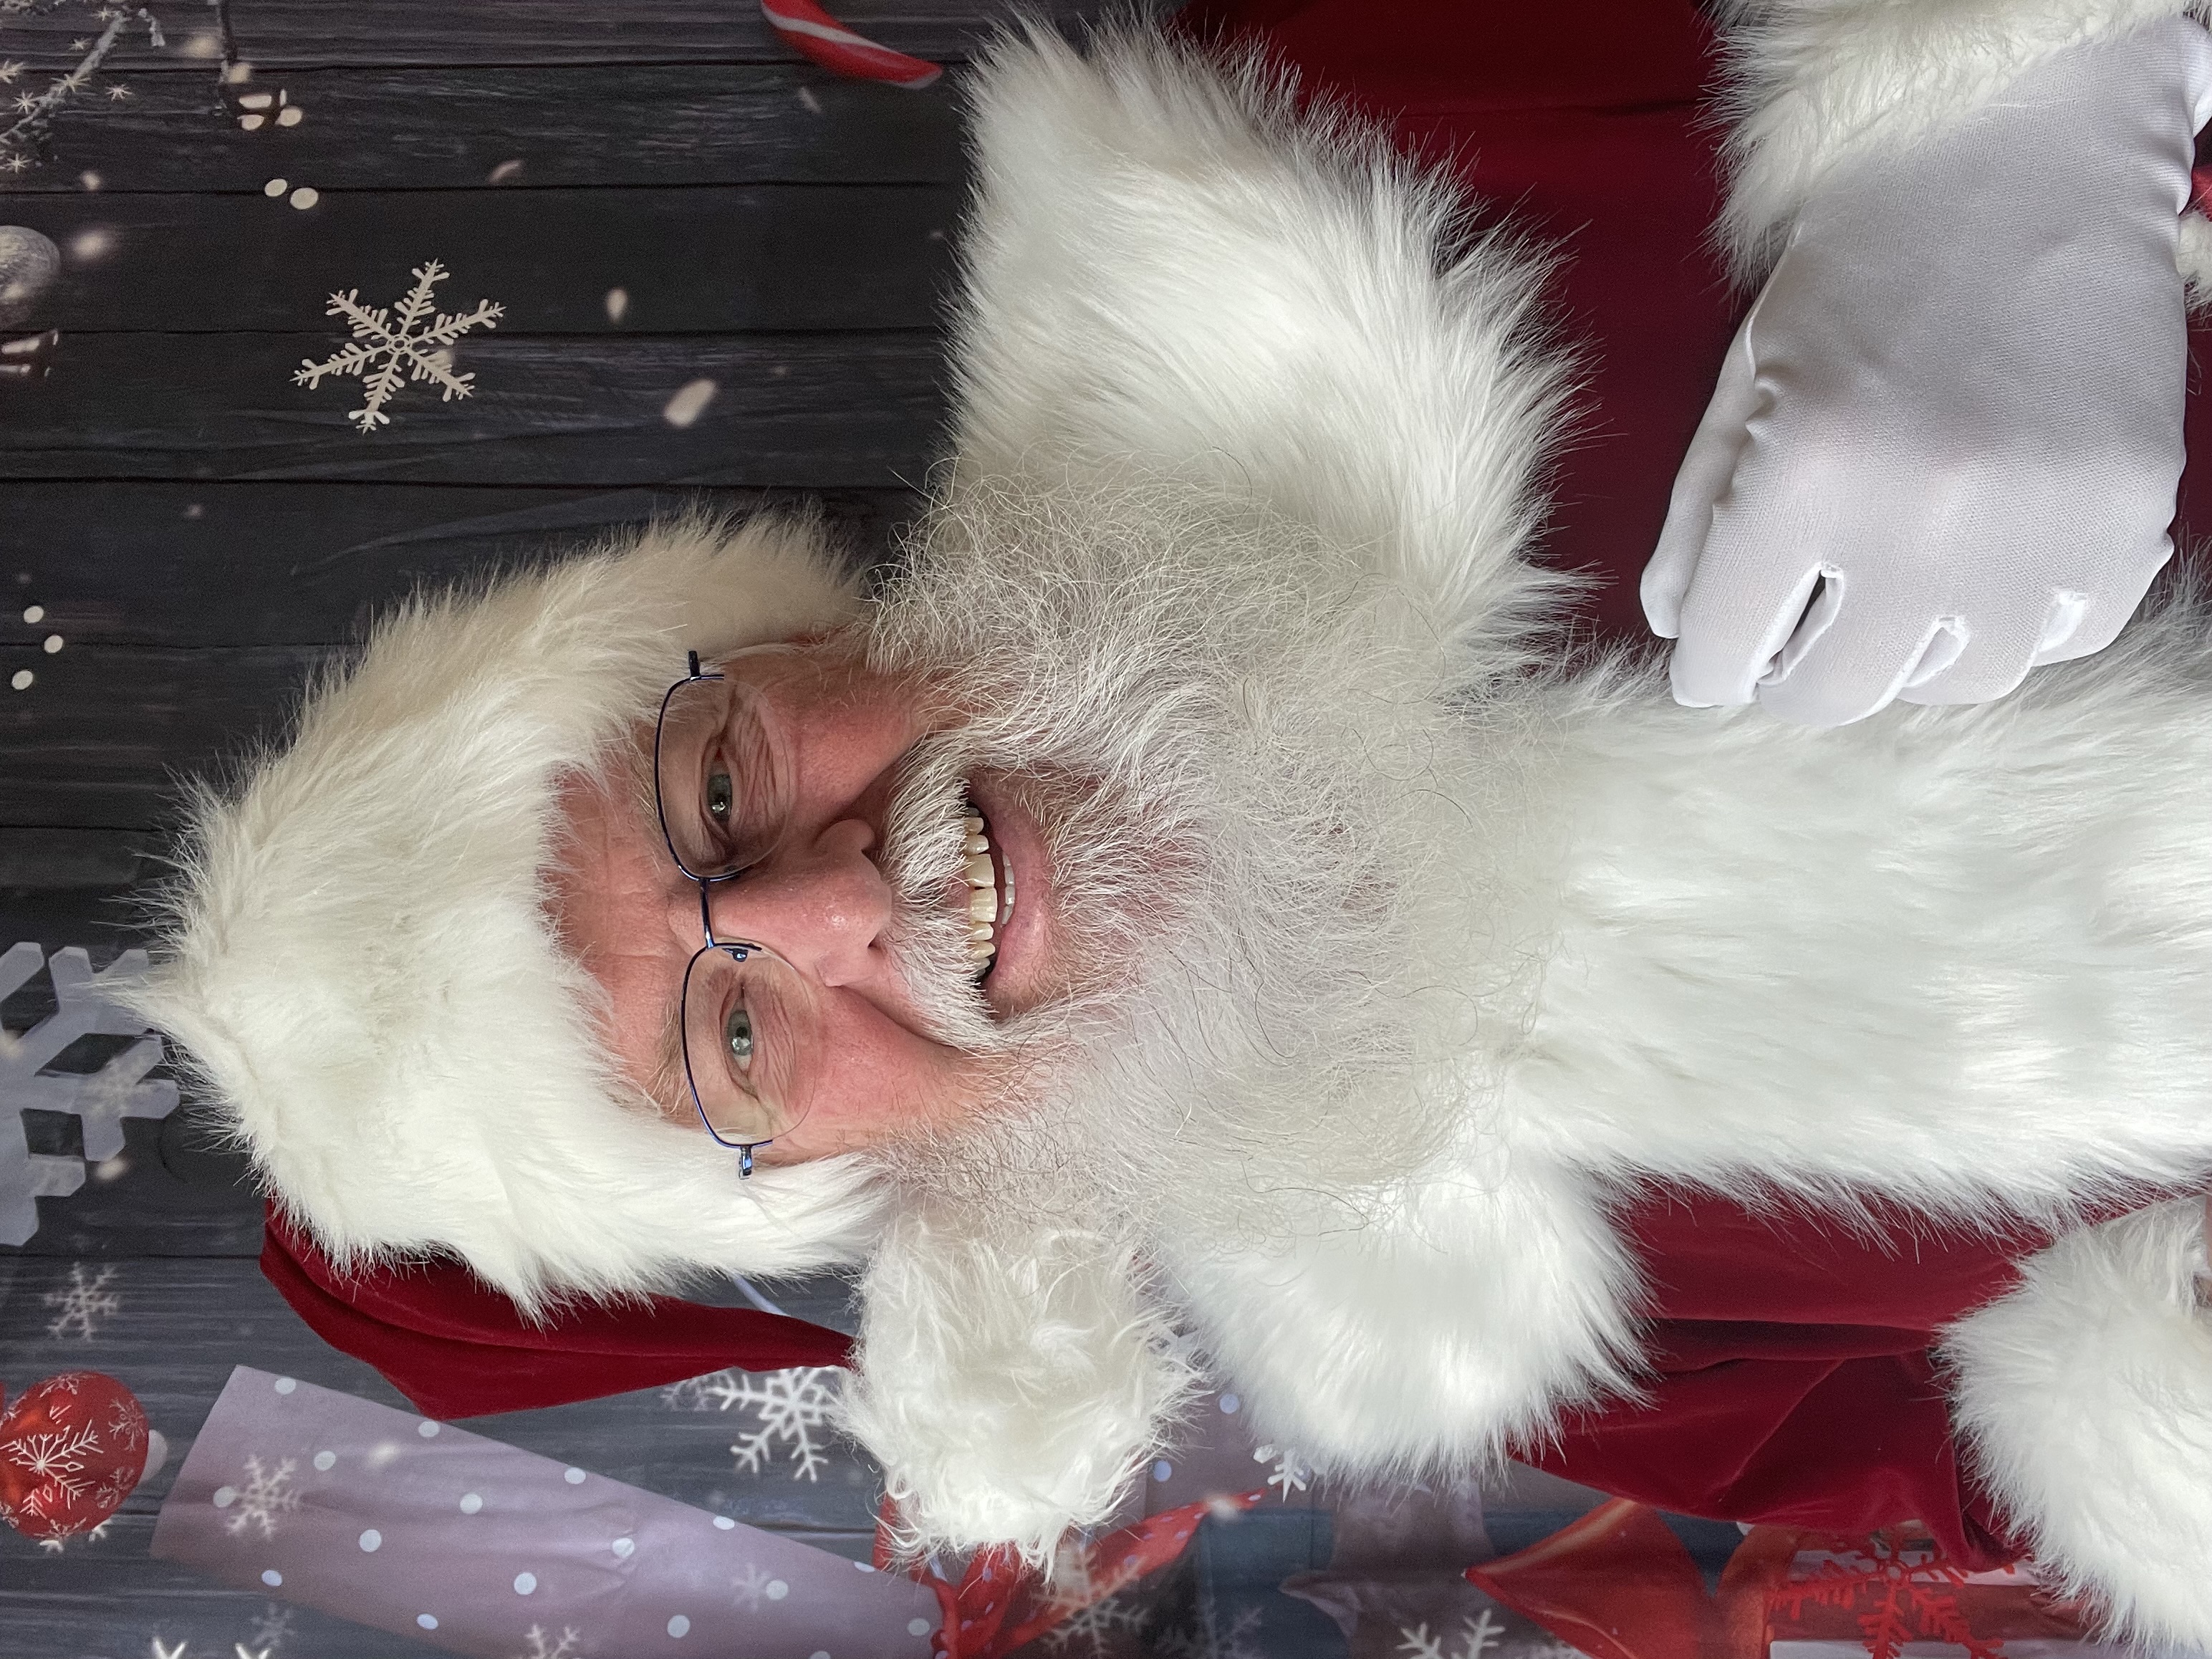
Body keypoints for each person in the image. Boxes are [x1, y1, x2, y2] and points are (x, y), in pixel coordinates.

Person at [122, 2, 2212, 1647]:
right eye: (737, 1038)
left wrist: (2035, 98)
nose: (837, 898)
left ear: (768, 628)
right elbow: (1934, 1451)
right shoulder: (1408, 1293)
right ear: (849, 1175)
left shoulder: (1311, 164)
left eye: (722, 792)